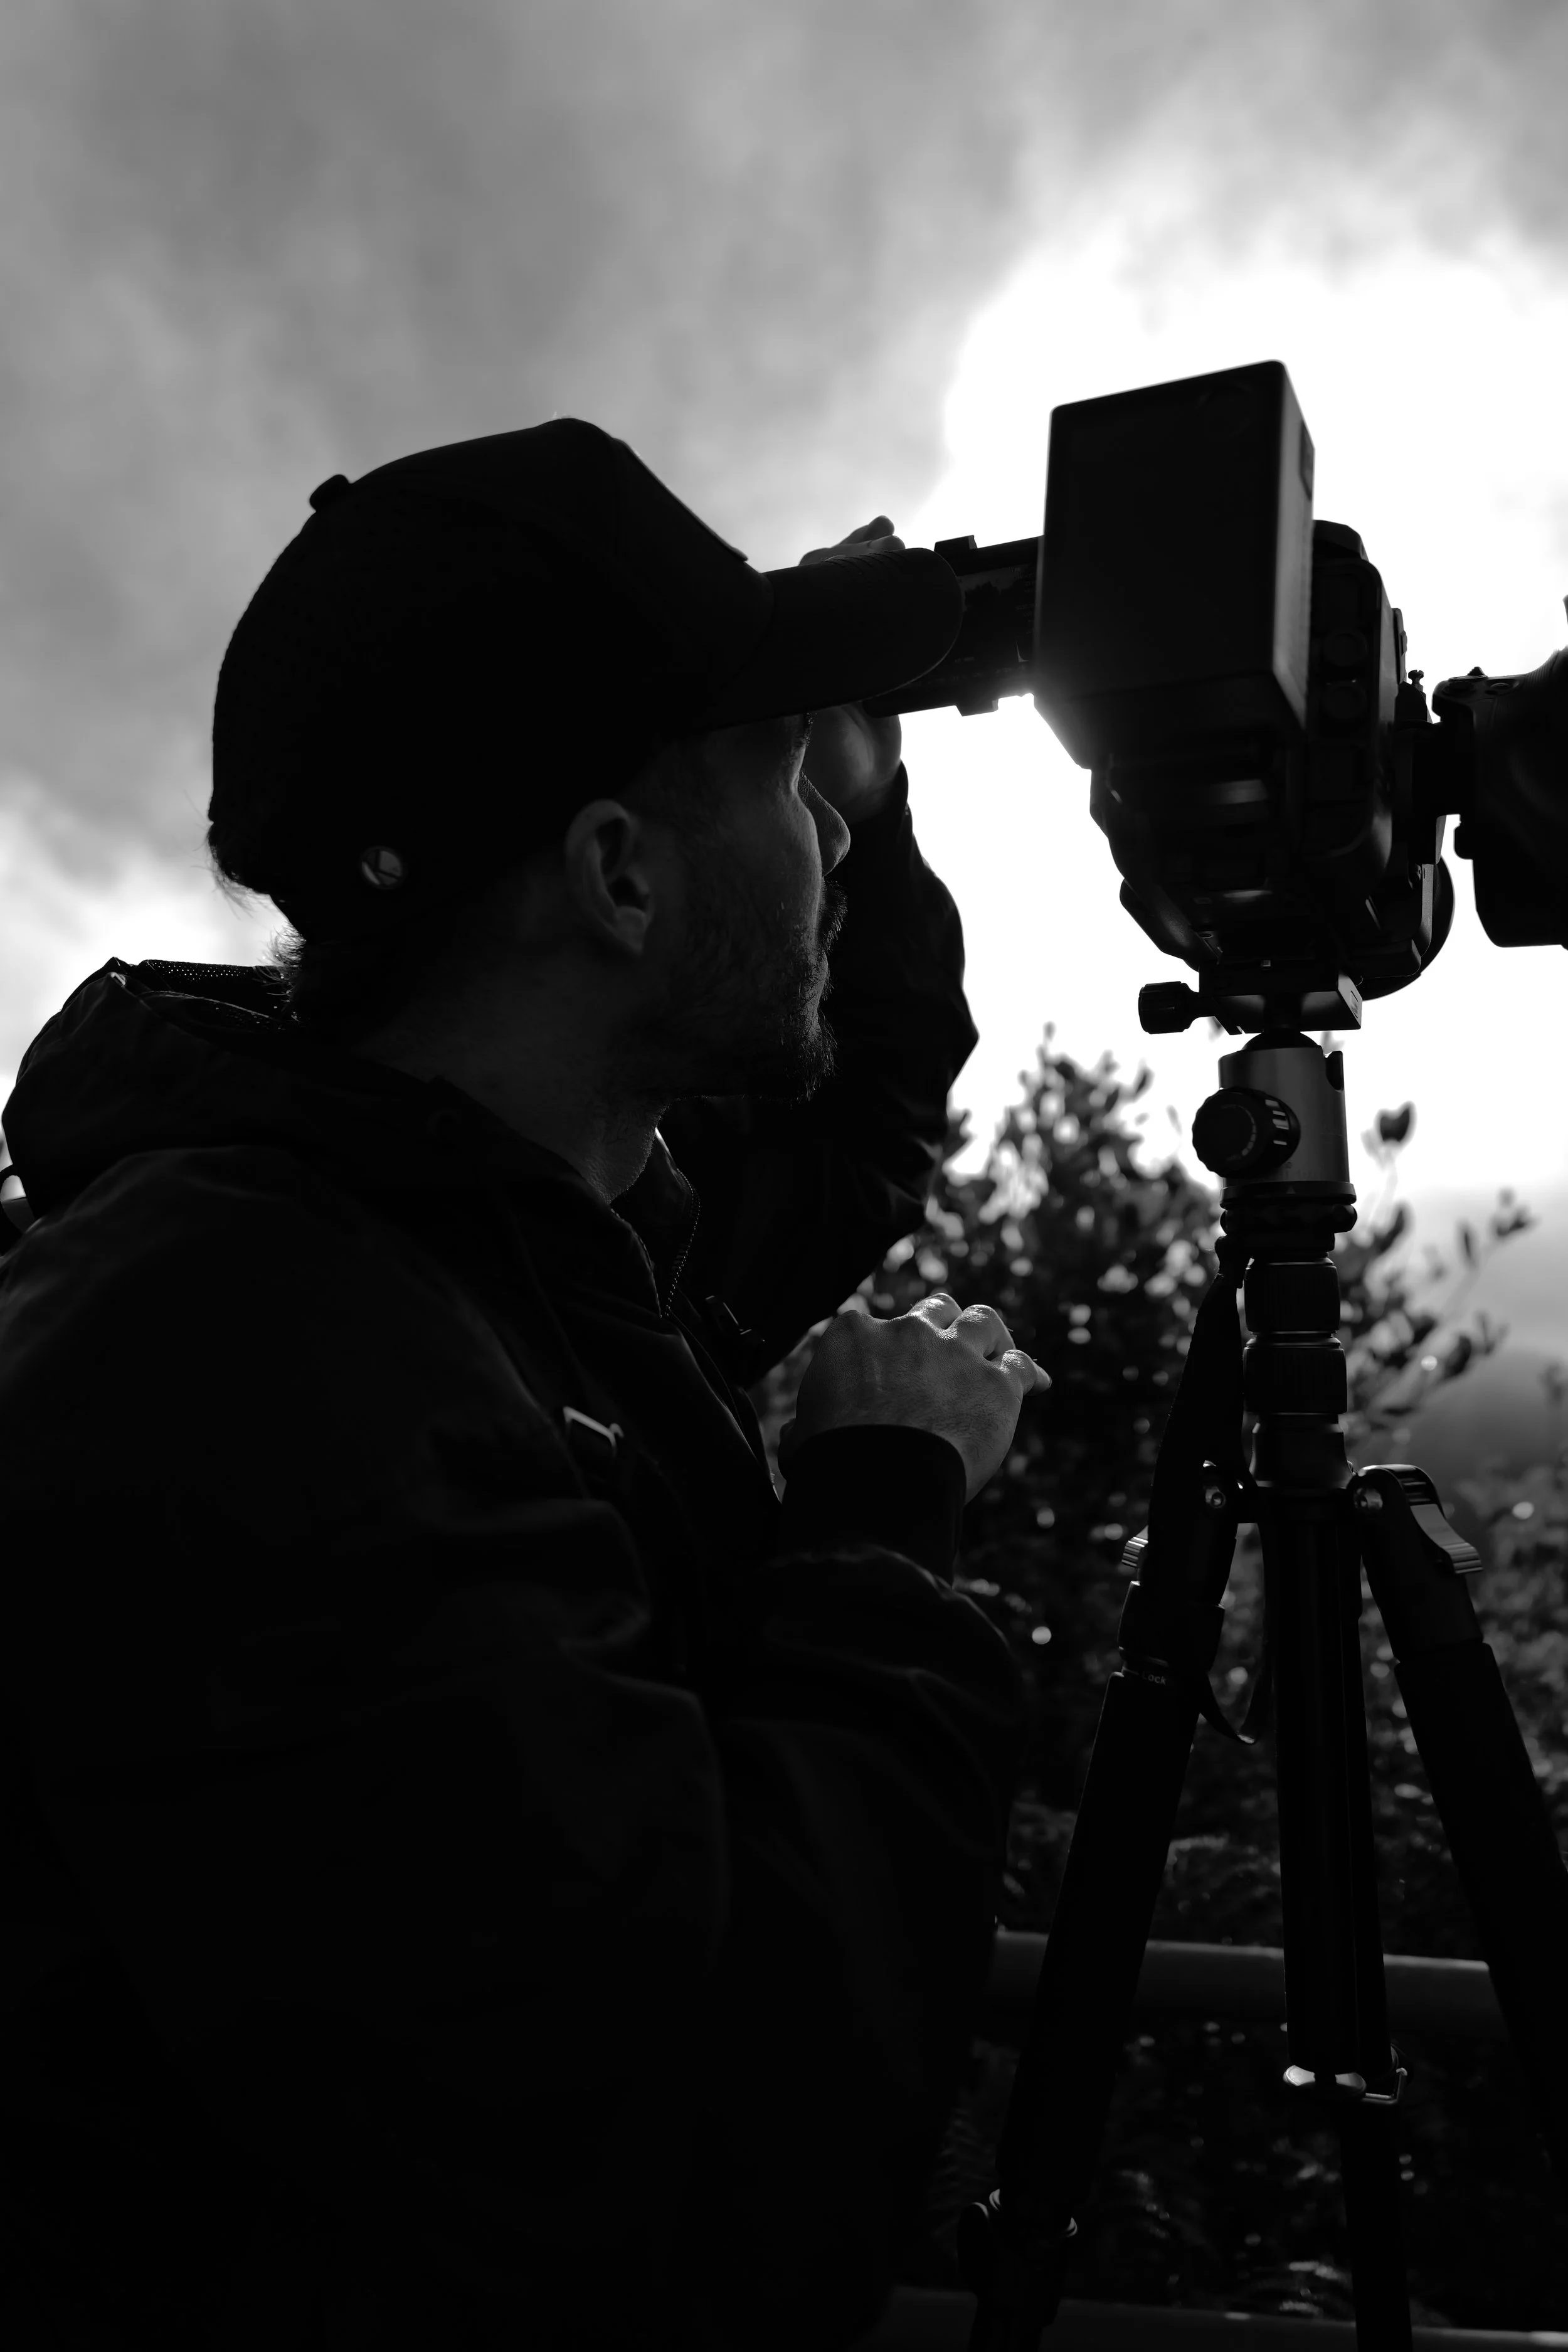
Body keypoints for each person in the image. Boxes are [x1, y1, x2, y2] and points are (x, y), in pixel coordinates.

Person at [0, 421, 1049, 2350]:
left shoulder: (509, 1229)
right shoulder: (255, 1365)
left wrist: (870, 798)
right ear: (618, 875)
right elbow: (686, 2171)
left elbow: (852, 1101)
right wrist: (883, 1538)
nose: (822, 831)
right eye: (780, 780)